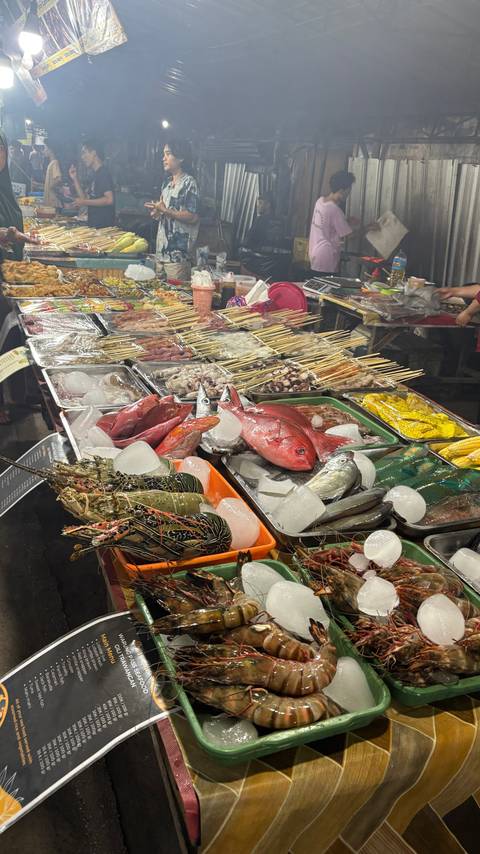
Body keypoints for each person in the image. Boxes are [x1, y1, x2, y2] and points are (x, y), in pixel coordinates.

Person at [146, 140, 199, 280]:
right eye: (163, 154)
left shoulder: (189, 183)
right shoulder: (166, 183)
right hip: (161, 254)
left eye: (168, 154)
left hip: (178, 257)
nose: (163, 158)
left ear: (180, 158)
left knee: (176, 293)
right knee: (159, 292)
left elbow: (192, 216)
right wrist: (156, 212)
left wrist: (165, 210)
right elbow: (164, 212)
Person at [308, 171, 378, 275]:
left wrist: (346, 221)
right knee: (327, 284)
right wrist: (367, 228)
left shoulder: (320, 201)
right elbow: (349, 236)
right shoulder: (335, 210)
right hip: (326, 256)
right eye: (348, 192)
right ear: (341, 191)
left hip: (315, 253)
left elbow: (327, 224)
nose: (348, 195)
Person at [69, 140, 115, 227]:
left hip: (103, 227)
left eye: (84, 153)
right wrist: (75, 178)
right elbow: (84, 199)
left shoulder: (103, 173)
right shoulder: (94, 174)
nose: (82, 157)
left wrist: (84, 201)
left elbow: (109, 199)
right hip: (94, 225)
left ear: (94, 153)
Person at [43, 142, 63, 208]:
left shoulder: (55, 163)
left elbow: (58, 179)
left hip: (53, 199)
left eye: (45, 148)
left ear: (50, 150)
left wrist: (50, 188)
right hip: (49, 199)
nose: (44, 151)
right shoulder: (51, 163)